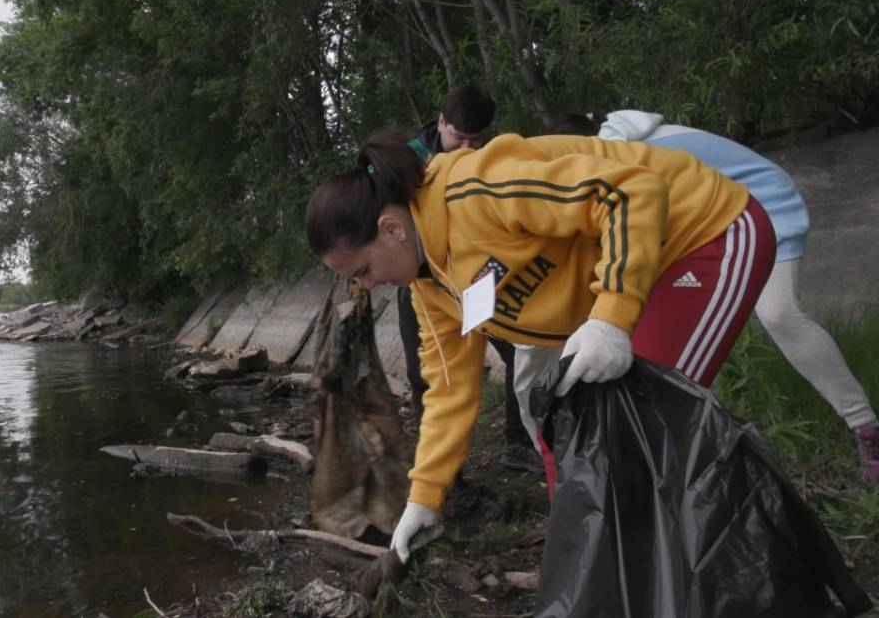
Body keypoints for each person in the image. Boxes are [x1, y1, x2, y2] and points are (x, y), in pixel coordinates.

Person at [305, 128, 776, 562]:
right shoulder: (430, 288)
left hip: (704, 233)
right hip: (642, 272)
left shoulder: (477, 190)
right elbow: (449, 391)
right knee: (565, 431)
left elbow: (629, 191)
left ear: (391, 229)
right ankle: (595, 565)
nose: (366, 285)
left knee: (645, 431)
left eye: (362, 271)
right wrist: (425, 496)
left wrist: (611, 318)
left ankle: (732, 563)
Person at [550, 110, 879, 482]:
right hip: (717, 219)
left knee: (779, 315)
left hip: (763, 202)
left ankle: (866, 429)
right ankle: (709, 441)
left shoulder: (615, 153)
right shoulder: (618, 148)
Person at [401, 85, 542, 474]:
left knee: (517, 354)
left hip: (481, 274)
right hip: (424, 280)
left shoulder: (491, 159)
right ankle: (446, 469)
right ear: (440, 122)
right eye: (457, 137)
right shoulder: (408, 160)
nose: (465, 148)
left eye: (475, 140)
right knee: (423, 372)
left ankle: (517, 443)